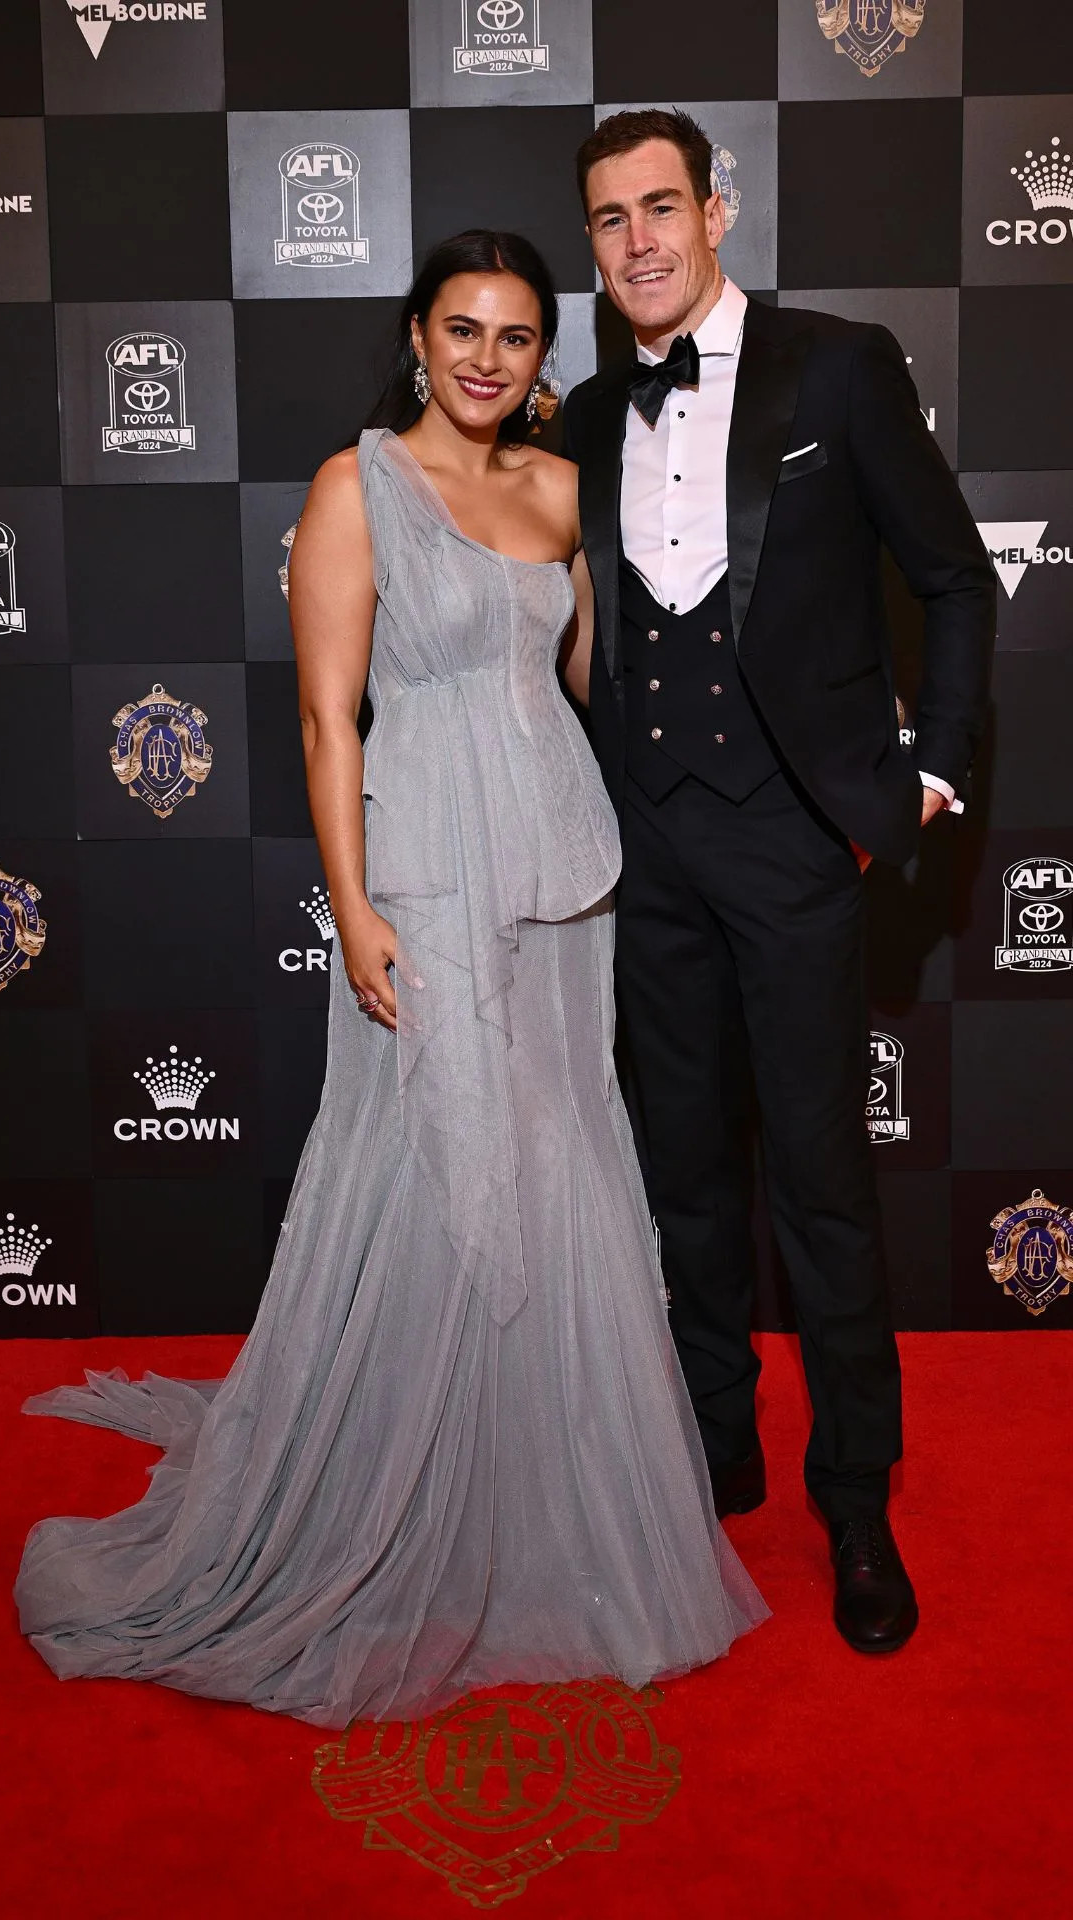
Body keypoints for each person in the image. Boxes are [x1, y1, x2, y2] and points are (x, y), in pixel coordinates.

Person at [14, 230, 766, 1728]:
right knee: (442, 1165)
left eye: (515, 335)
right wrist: (352, 907)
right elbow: (325, 721)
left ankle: (538, 1495)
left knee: (560, 1166)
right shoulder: (356, 492)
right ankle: (400, 1496)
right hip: (426, 870)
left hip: (564, 873)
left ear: (541, 356)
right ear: (415, 337)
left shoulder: (561, 492)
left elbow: (587, 697)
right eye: (460, 329)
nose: (488, 357)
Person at [562, 111, 995, 1654]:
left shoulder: (838, 367)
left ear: (717, 211)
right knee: (681, 1173)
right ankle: (715, 1446)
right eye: (609, 221)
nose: (639, 243)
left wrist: (928, 772)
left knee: (819, 1184)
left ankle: (857, 1499)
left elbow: (954, 576)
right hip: (644, 850)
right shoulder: (582, 414)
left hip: (799, 845)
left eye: (661, 208)